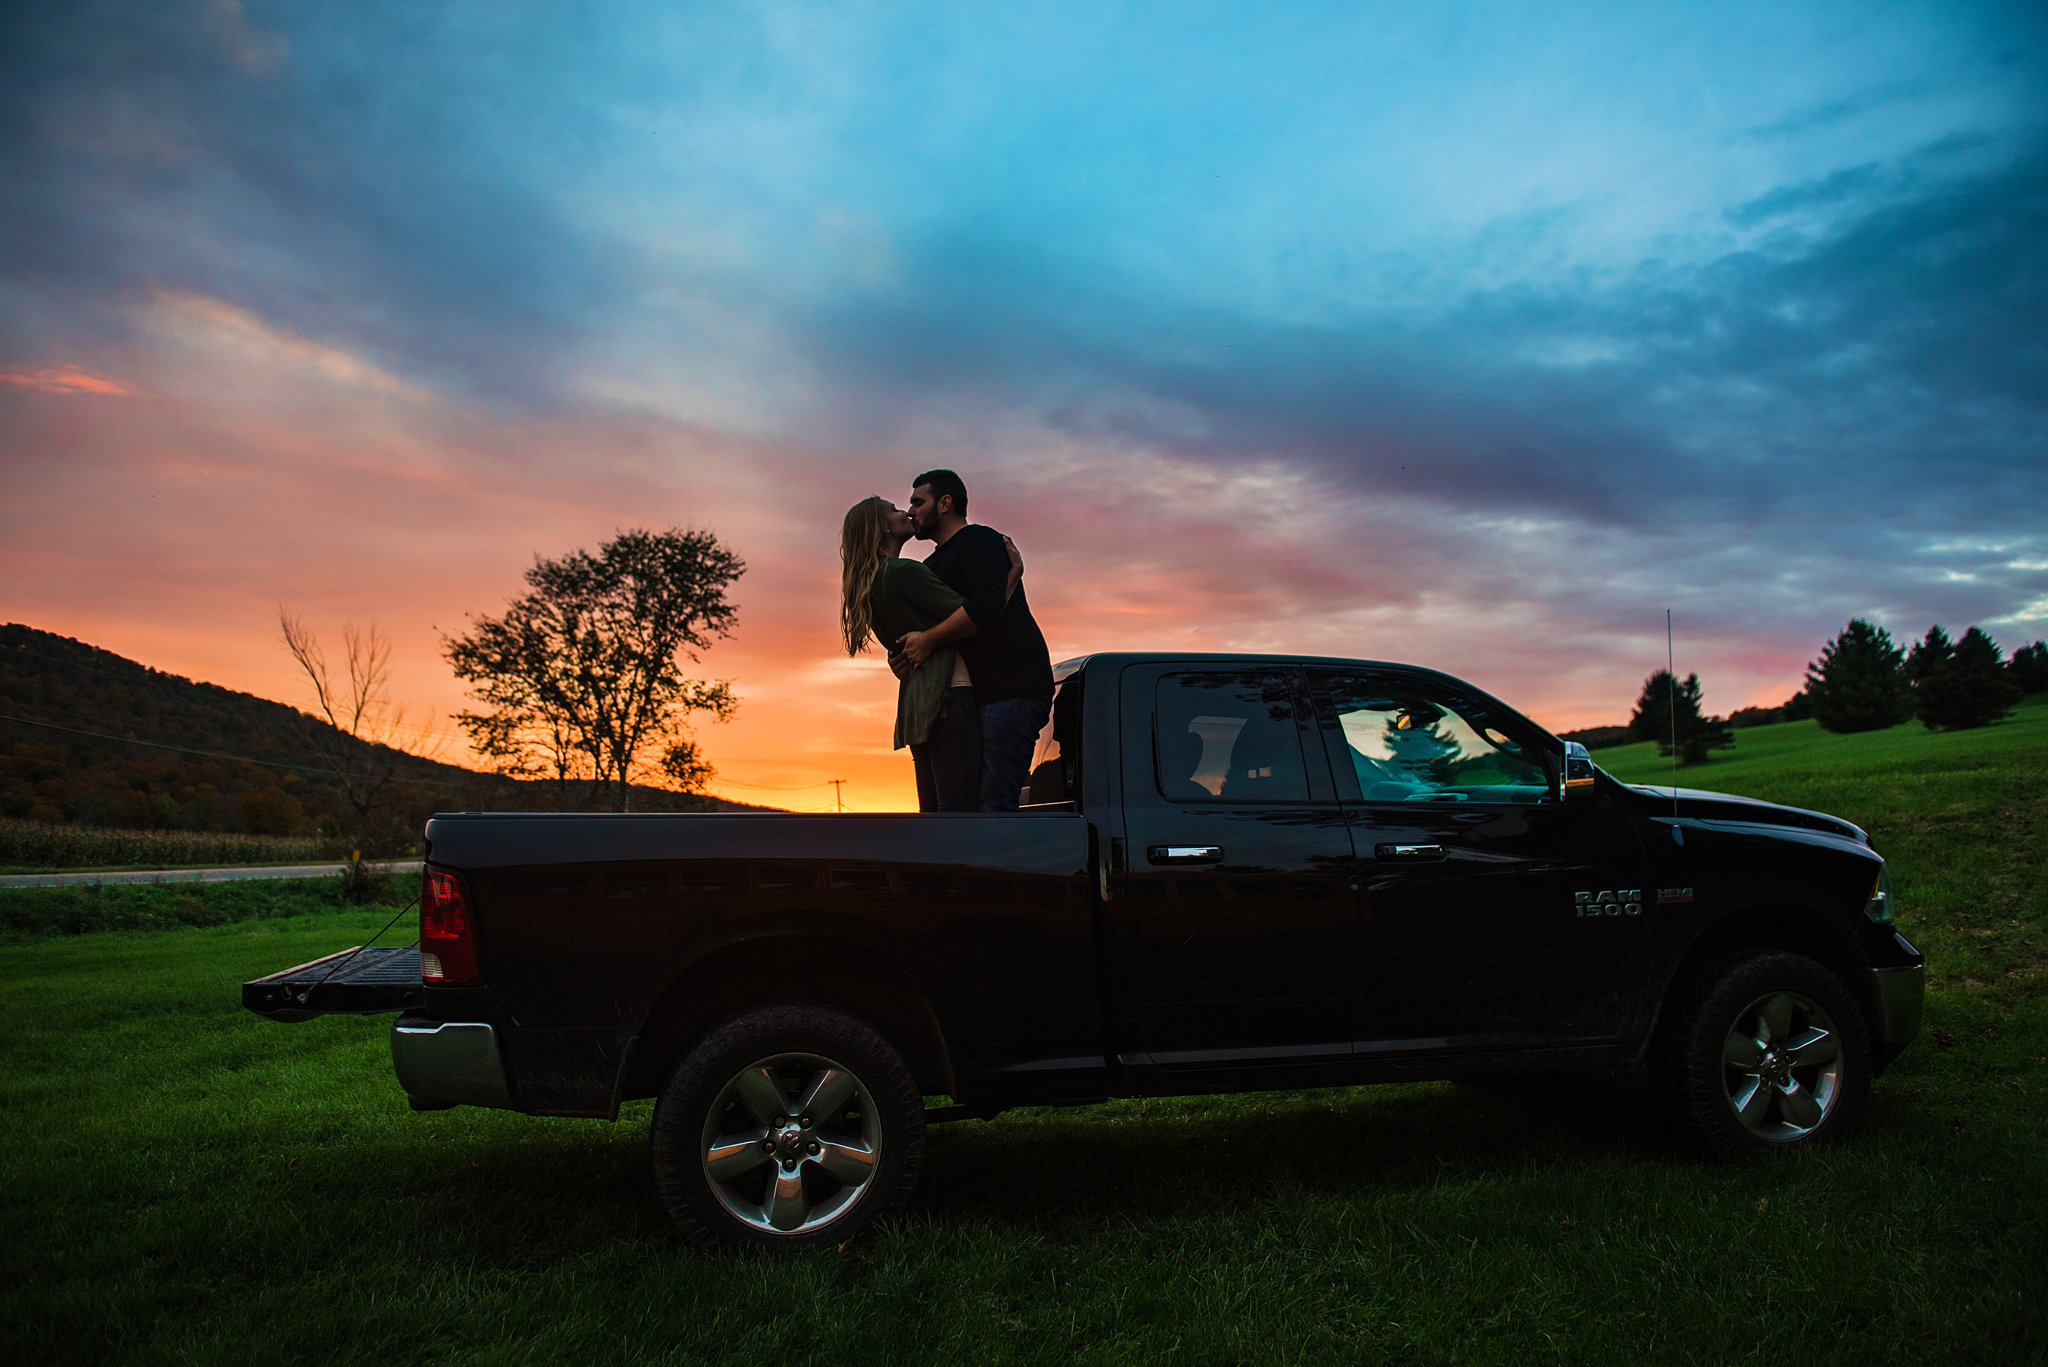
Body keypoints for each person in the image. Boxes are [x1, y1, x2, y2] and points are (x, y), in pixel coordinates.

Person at [839, 496, 1020, 812]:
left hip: (914, 705)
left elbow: (901, 647)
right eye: (894, 510)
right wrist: (1011, 578)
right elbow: (973, 614)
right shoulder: (902, 572)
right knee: (957, 814)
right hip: (948, 695)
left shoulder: (869, 585)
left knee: (933, 816)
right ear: (882, 526)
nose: (904, 512)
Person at [893, 469, 1055, 812]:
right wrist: (907, 654)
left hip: (1013, 688)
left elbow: (984, 606)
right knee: (968, 807)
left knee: (992, 805)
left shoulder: (980, 540)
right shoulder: (931, 565)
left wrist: (928, 641)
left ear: (945, 503)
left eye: (918, 502)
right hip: (974, 698)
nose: (911, 511)